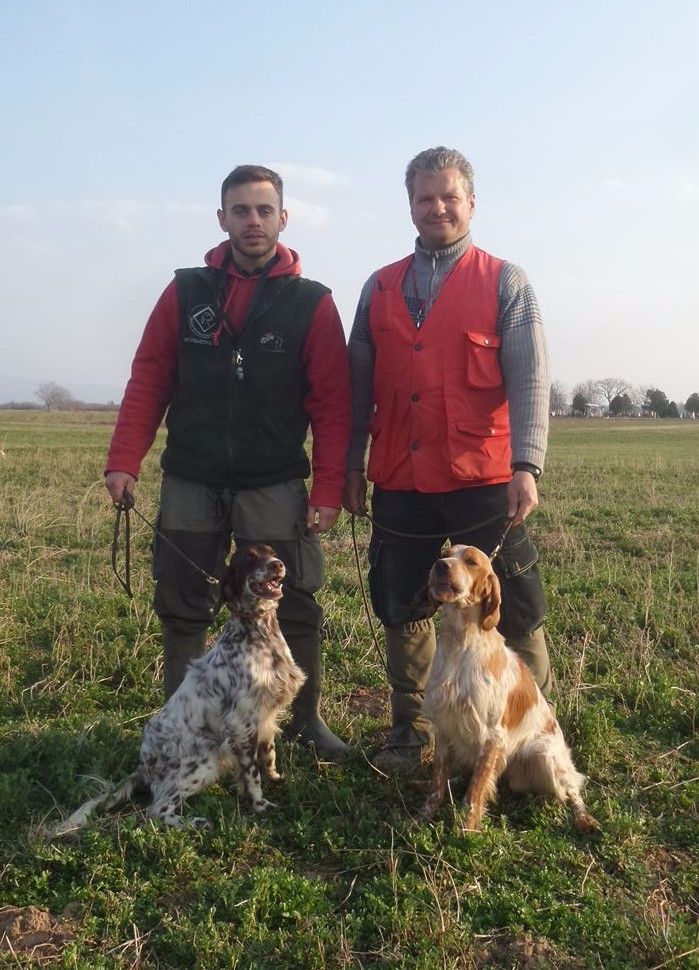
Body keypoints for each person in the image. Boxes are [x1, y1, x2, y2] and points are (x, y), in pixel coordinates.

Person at [105, 164, 350, 757]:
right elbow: (149, 378)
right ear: (222, 220)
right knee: (183, 603)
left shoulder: (312, 304)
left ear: (284, 219)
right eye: (240, 211)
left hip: (274, 483)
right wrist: (124, 458)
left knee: (292, 604)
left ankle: (303, 724)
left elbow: (334, 405)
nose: (253, 222)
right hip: (192, 475)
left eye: (264, 210)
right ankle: (186, 729)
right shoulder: (185, 292)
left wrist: (327, 490)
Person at [344, 147, 550, 773]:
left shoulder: (505, 280)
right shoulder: (379, 286)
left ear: (470, 202)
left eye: (448, 196)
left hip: (485, 482)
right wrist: (350, 467)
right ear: (410, 205)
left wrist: (527, 465)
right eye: (424, 197)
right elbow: (354, 387)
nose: (437, 207)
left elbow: (530, 379)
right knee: (403, 605)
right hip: (402, 482)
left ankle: (527, 727)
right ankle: (410, 731)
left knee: (515, 607)